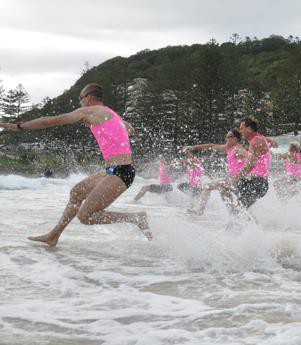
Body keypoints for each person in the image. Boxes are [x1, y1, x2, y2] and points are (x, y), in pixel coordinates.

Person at [0, 83, 150, 247]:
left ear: (88, 98)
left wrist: (18, 126)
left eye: (80, 99)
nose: (80, 103)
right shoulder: (110, 113)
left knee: (86, 216)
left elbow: (50, 121)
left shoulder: (89, 111)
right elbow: (130, 129)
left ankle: (135, 218)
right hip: (114, 171)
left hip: (120, 173)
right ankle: (53, 235)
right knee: (77, 193)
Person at [183, 129, 247, 215]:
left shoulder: (238, 149)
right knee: (216, 187)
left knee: (212, 185)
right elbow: (211, 146)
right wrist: (194, 147)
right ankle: (232, 212)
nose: (226, 139)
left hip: (238, 180)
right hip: (231, 179)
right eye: (226, 137)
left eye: (229, 137)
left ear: (235, 139)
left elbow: (249, 157)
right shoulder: (228, 148)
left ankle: (200, 210)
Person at [230, 116, 271, 211]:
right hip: (255, 182)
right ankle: (244, 221)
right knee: (224, 186)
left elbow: (251, 165)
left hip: (258, 184)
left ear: (249, 128)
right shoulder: (256, 140)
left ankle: (237, 221)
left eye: (241, 128)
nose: (240, 131)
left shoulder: (257, 141)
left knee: (239, 210)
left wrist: (236, 178)